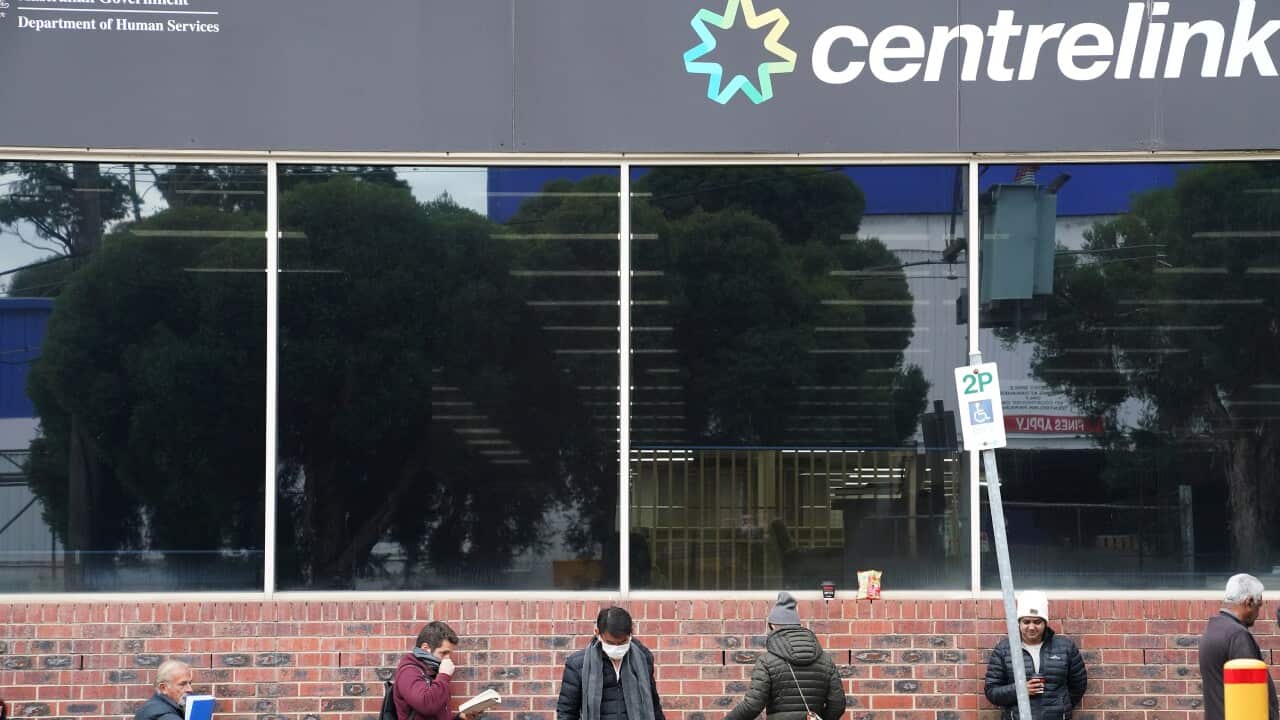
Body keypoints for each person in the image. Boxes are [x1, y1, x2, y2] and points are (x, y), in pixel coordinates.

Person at [724, 591, 845, 720]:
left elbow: (753, 705)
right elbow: (838, 705)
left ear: (774, 625)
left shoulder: (766, 661)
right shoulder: (826, 660)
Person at [983, 591, 1087, 720]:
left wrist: (1061, 708)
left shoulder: (1065, 647)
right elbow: (992, 691)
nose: (1031, 627)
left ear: (1045, 623)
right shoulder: (1004, 650)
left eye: (1037, 622)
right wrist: (1020, 690)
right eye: (1026, 622)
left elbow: (1078, 685)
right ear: (1019, 623)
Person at [556, 606, 665, 720]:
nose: (616, 647)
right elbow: (566, 712)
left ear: (630, 634)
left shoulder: (643, 659)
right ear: (597, 633)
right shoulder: (578, 665)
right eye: (610, 643)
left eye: (622, 642)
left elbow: (654, 706)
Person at [1199, 573, 1278, 720]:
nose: (1258, 614)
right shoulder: (1237, 636)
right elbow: (1252, 695)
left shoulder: (1212, 630)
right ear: (1249, 602)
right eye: (1258, 606)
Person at [394, 621, 475, 720]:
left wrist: (461, 718)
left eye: (449, 653)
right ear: (425, 648)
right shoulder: (408, 672)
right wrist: (444, 675)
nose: (447, 658)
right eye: (443, 653)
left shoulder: (432, 671)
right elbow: (427, 706)